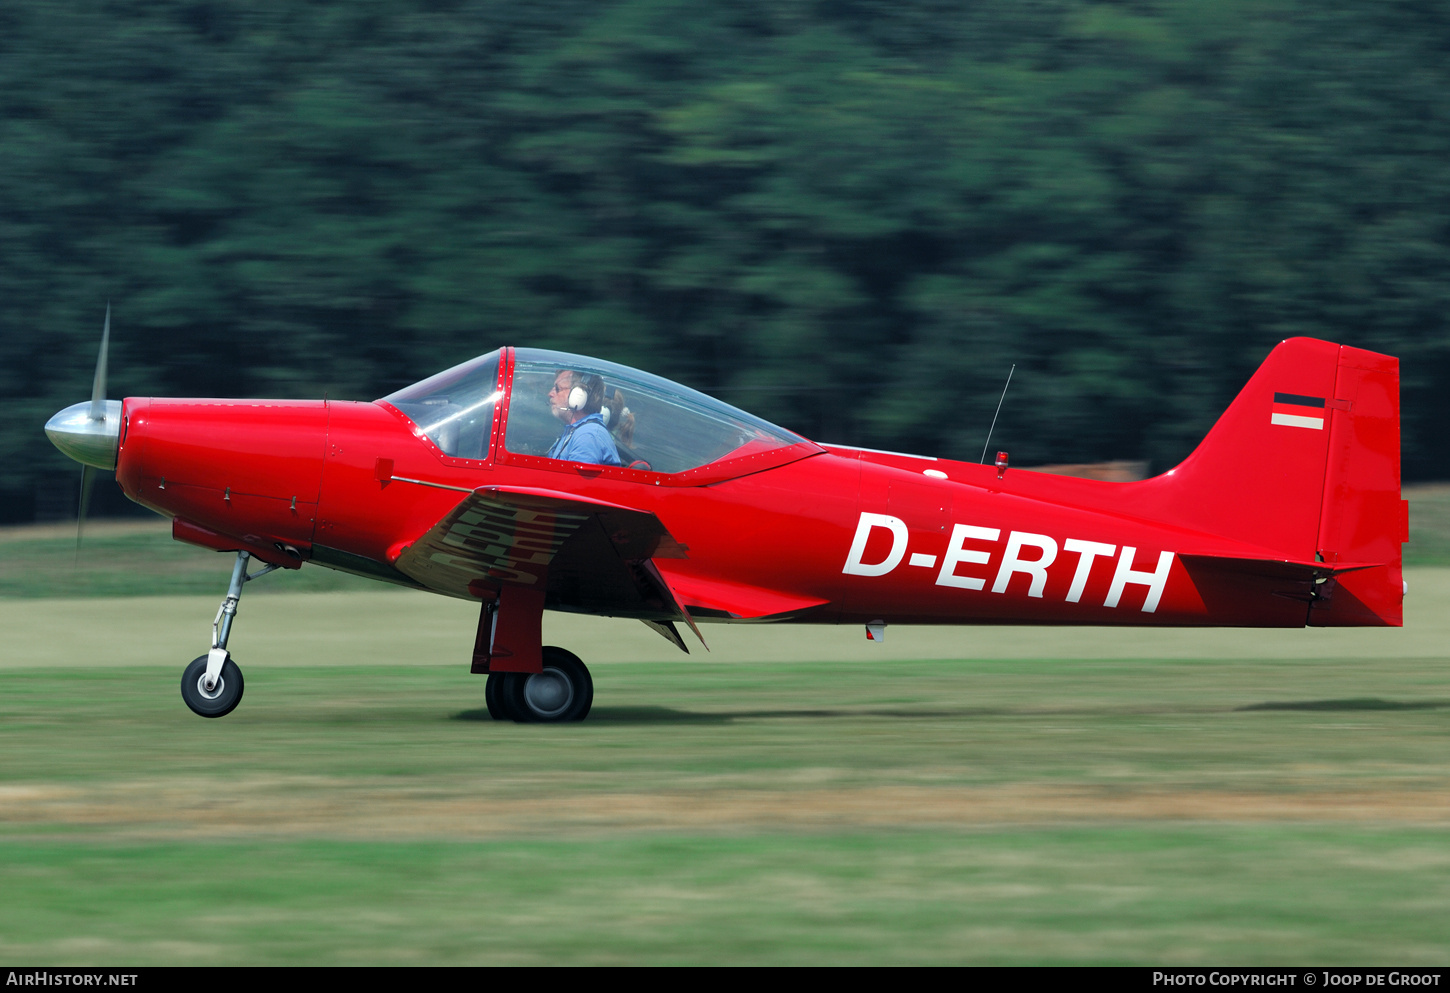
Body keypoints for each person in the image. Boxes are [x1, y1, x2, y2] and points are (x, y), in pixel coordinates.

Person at [545, 370, 623, 466]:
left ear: (578, 394)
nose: (550, 393)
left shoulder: (588, 436)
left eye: (558, 388)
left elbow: (574, 481)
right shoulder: (575, 431)